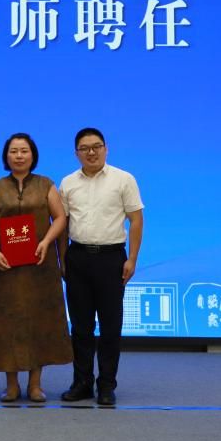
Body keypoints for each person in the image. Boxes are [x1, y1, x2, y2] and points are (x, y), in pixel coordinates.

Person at [0, 133, 72, 402]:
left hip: (40, 265)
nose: (19, 156)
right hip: (5, 266)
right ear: (6, 156)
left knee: (38, 321)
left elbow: (60, 217)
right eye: (14, 151)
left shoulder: (46, 184)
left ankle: (35, 385)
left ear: (33, 155)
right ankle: (11, 385)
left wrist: (46, 241)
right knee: (7, 322)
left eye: (24, 151)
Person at [57, 127, 143, 406]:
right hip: (78, 258)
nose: (91, 152)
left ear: (106, 149)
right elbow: (62, 226)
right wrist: (62, 259)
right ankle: (81, 382)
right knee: (80, 326)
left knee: (110, 326)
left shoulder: (123, 179)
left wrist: (132, 259)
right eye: (84, 148)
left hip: (111, 258)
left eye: (96, 146)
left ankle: (106, 385)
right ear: (76, 153)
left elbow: (136, 220)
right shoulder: (68, 183)